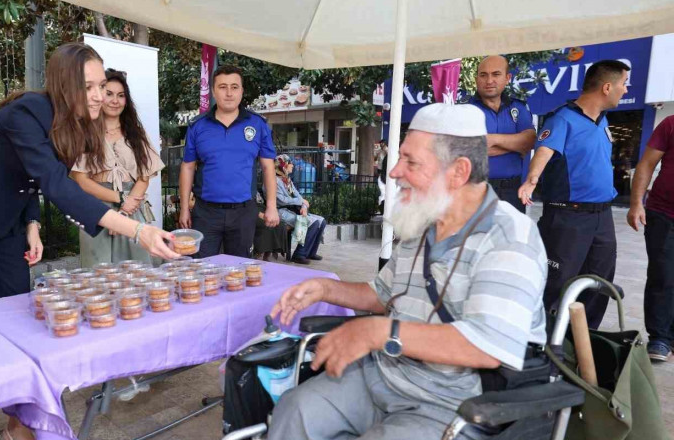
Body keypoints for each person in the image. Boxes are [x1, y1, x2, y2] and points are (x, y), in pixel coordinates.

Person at [0, 43, 179, 440]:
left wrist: (32, 225)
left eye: (101, 85)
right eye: (89, 86)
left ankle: (19, 423)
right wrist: (138, 229)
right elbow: (56, 184)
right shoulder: (28, 112)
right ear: (64, 83)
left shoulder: (77, 122)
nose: (97, 95)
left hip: (4, 225)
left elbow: (29, 183)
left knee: (21, 316)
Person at [267, 104, 547, 440]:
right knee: (293, 410)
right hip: (382, 376)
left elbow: (487, 346)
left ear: (458, 171)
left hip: (452, 403)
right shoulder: (423, 222)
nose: (395, 171)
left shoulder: (509, 237)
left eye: (410, 161)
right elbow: (383, 295)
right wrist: (325, 288)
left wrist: (377, 332)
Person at [518, 60, 630, 329]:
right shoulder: (563, 118)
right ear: (606, 87)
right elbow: (544, 151)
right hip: (568, 218)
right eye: (623, 84)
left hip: (602, 217)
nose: (625, 90)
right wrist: (531, 181)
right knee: (556, 283)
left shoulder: (602, 121)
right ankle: (542, 346)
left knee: (598, 283)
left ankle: (583, 342)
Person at [178, 65, 279, 258]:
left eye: (234, 87)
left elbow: (268, 167)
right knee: (201, 269)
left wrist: (271, 206)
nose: (229, 93)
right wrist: (184, 209)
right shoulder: (198, 126)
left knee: (239, 272)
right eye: (223, 87)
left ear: (242, 91)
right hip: (205, 213)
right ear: (214, 91)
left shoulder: (257, 124)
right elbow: (188, 167)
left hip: (243, 212)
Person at [71, 68, 164, 268]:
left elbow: (144, 176)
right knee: (98, 270)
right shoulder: (84, 133)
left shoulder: (137, 134)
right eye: (109, 94)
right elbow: (81, 180)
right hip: (96, 208)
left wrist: (126, 208)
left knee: (137, 269)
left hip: (133, 207)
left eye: (121, 96)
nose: (115, 101)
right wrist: (119, 199)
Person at [627, 114, 674, 362]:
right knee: (663, 275)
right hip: (665, 214)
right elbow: (646, 164)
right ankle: (660, 337)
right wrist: (636, 203)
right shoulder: (670, 124)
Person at [467, 55, 535, 212]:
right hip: (474, 190)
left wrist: (491, 139)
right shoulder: (465, 109)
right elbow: (467, 149)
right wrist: (516, 146)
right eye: (483, 75)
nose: (489, 80)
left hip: (512, 192)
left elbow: (530, 141)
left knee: (511, 236)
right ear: (477, 79)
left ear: (507, 78)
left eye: (496, 74)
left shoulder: (518, 108)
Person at [274, 154, 326, 264]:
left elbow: (299, 196)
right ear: (283, 165)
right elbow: (281, 200)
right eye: (290, 164)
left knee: (322, 221)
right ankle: (299, 254)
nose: (292, 166)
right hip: (281, 211)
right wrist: (301, 202)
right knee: (313, 223)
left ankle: (310, 252)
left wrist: (304, 206)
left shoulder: (287, 180)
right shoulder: (274, 181)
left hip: (293, 209)